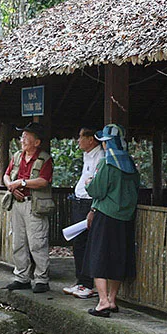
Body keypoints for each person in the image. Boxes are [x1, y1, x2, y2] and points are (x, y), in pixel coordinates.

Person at [83, 124, 140, 318]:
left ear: (109, 143)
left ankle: (102, 301)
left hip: (106, 216)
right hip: (125, 218)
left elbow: (97, 191)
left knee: (98, 257)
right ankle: (113, 300)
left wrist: (89, 183)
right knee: (118, 258)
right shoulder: (131, 165)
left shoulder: (107, 164)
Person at [3, 122, 54, 293]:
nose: (22, 139)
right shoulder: (17, 156)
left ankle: (41, 279)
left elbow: (44, 181)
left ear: (37, 142)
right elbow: (6, 175)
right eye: (22, 136)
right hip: (18, 204)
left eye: (26, 137)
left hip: (35, 206)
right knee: (18, 242)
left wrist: (22, 182)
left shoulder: (44, 158)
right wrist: (12, 186)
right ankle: (22, 277)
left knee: (37, 243)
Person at [63, 127, 104, 300]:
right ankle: (81, 281)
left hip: (89, 203)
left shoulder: (100, 157)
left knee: (86, 243)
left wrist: (92, 209)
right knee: (78, 243)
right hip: (79, 201)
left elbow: (95, 184)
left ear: (91, 139)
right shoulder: (88, 155)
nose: (78, 140)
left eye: (81, 137)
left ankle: (88, 284)